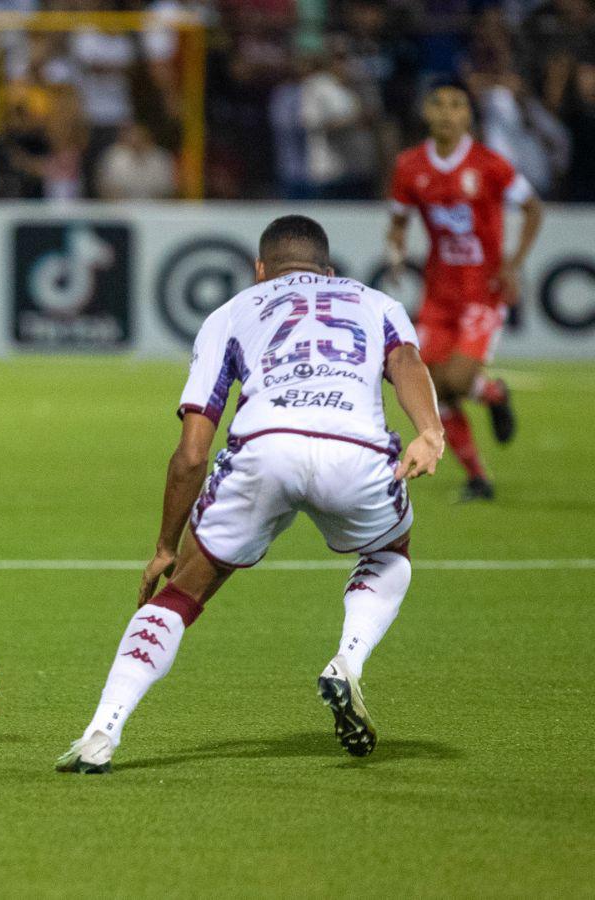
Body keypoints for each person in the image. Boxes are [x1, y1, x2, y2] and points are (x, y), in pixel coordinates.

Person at [57, 215, 444, 773]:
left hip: (265, 448)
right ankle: (347, 661)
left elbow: (192, 453)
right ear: (329, 270)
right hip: (353, 449)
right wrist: (429, 432)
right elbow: (406, 360)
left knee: (183, 594)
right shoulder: (376, 301)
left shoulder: (232, 312)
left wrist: (167, 547)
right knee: (389, 554)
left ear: (260, 270)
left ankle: (102, 731)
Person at [386, 78, 543, 502]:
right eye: (438, 103)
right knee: (433, 390)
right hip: (439, 292)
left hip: (483, 290)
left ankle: (490, 392)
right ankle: (478, 475)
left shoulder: (491, 164)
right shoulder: (409, 166)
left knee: (453, 379)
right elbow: (399, 221)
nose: (446, 112)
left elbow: (532, 208)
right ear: (426, 111)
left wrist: (512, 264)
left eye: (456, 105)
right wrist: (396, 253)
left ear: (467, 114)